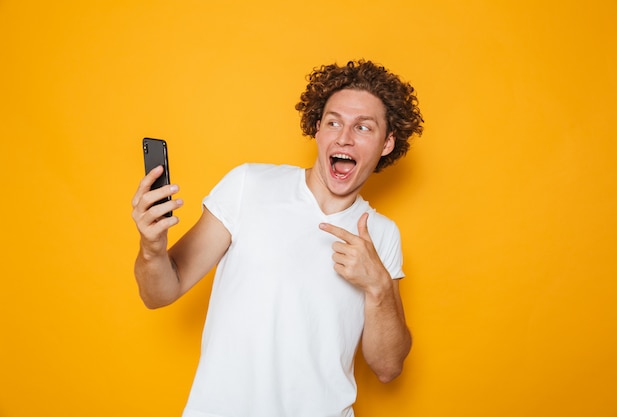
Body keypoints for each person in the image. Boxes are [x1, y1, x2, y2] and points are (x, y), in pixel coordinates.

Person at [131, 59, 424, 417]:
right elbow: (159, 293)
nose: (344, 137)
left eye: (363, 127)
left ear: (387, 143)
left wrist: (378, 285)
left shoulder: (381, 233)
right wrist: (151, 248)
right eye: (333, 122)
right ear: (317, 129)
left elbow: (388, 367)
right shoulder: (248, 185)